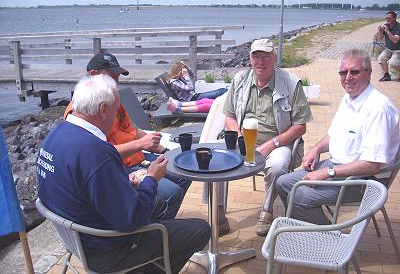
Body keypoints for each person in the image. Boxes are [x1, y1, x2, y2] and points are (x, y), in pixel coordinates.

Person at [37, 74, 210, 273]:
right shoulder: (96, 152)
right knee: (200, 229)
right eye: (115, 110)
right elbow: (131, 219)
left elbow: (82, 185)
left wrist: (122, 182)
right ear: (103, 110)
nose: (116, 116)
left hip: (77, 237)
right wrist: (152, 178)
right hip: (107, 249)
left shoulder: (55, 135)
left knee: (160, 205)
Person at [276, 49, 400, 225]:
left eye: (354, 72)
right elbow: (333, 135)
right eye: (343, 72)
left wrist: (327, 173)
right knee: (283, 182)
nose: (347, 77)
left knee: (301, 195)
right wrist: (316, 149)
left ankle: (327, 241)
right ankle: (308, 231)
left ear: (369, 73)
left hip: (364, 181)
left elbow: (372, 165)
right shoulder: (350, 98)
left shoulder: (378, 109)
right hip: (337, 168)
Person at [64, 53, 191, 219]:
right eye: (112, 76)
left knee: (183, 172)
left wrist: (164, 150)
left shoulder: (112, 102)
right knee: (172, 192)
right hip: (120, 168)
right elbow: (97, 156)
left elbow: (132, 129)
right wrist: (140, 145)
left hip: (138, 157)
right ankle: (156, 233)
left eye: (118, 77)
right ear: (93, 75)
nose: (116, 82)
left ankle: (161, 221)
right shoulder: (82, 112)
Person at [222, 38, 313, 236]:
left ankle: (266, 210)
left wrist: (272, 144)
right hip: (243, 139)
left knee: (278, 165)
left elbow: (300, 127)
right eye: (257, 56)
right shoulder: (239, 80)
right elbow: (229, 116)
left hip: (279, 140)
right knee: (215, 159)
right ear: (250, 58)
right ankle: (219, 213)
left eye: (266, 57)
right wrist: (239, 139)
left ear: (274, 58)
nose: (261, 62)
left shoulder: (290, 83)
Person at [376, 10, 400, 82]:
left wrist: (388, 32)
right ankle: (386, 75)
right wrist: (380, 31)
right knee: (381, 58)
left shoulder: (398, 27)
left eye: (389, 18)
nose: (387, 20)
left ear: (394, 18)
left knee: (393, 63)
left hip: (398, 49)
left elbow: (395, 40)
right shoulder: (386, 26)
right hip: (389, 49)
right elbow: (380, 39)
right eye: (386, 18)